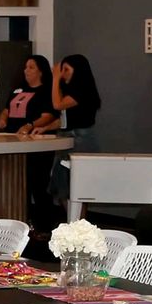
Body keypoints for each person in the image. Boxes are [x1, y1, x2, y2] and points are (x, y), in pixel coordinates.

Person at [1, 55, 61, 229]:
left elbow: (48, 116)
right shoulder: (17, 90)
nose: (26, 71)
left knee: (38, 183)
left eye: (31, 67)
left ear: (41, 71)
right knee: (19, 184)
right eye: (26, 67)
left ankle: (44, 225)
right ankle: (22, 221)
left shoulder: (46, 92)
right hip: (14, 141)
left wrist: (30, 125)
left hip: (37, 144)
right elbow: (6, 109)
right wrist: (2, 119)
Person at [47, 53, 102, 206]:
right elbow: (64, 119)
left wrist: (55, 78)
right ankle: (73, 218)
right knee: (62, 187)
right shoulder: (69, 91)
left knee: (78, 187)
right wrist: (45, 128)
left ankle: (78, 219)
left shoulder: (82, 90)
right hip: (66, 137)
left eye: (66, 70)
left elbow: (57, 105)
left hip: (80, 140)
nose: (62, 74)